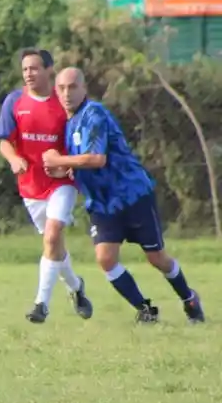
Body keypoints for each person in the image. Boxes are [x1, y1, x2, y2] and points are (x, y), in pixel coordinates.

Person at [43, 67, 204, 324]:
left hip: (132, 195)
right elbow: (77, 161)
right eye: (61, 88)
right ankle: (146, 310)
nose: (66, 93)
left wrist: (58, 159)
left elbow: (96, 158)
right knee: (105, 259)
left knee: (157, 258)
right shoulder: (67, 124)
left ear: (83, 89)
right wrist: (62, 166)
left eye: (72, 87)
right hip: (102, 203)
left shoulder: (93, 114)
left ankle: (189, 299)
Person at [0, 47, 93, 324]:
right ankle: (76, 287)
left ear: (49, 70)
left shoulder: (64, 103)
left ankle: (41, 305)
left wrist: (67, 163)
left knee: (52, 236)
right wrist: (14, 158)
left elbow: (81, 143)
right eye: (25, 69)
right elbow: (4, 141)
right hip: (30, 185)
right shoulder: (14, 101)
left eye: (34, 68)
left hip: (62, 183)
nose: (29, 74)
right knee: (55, 246)